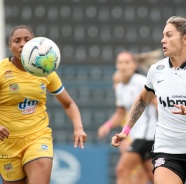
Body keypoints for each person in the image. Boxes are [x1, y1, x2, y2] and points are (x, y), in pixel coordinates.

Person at [111, 16, 186, 184]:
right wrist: (126, 131)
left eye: (168, 35)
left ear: (185, 39)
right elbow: (142, 99)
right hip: (167, 150)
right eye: (163, 35)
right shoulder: (156, 70)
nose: (163, 40)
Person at [0, 25, 87, 184]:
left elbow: (68, 104)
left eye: (27, 40)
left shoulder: (45, 71)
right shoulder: (1, 71)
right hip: (7, 144)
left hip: (38, 137)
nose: (22, 44)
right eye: (17, 41)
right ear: (10, 46)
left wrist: (78, 127)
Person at [98, 51, 158, 184]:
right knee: (152, 175)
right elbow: (120, 114)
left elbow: (157, 104)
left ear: (134, 65)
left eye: (127, 62)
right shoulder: (119, 87)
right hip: (136, 135)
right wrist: (107, 126)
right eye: (120, 62)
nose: (123, 66)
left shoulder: (141, 82)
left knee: (122, 169)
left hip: (147, 135)